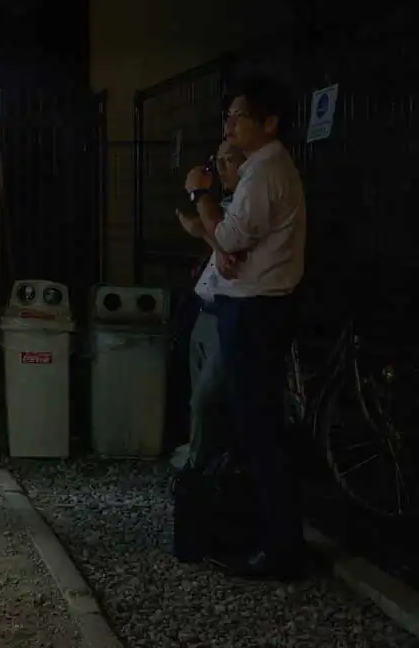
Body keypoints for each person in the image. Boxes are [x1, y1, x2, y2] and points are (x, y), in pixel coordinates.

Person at [184, 75, 307, 579]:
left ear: (269, 122)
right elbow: (229, 244)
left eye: (238, 116)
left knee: (258, 427)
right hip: (252, 305)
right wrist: (221, 243)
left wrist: (201, 196)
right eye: (228, 116)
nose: (229, 125)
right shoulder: (261, 169)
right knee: (249, 422)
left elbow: (231, 238)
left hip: (257, 310)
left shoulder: (264, 173)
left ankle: (279, 547)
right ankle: (263, 533)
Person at [175, 140, 246, 470]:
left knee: (207, 397)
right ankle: (200, 462)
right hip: (207, 308)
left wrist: (199, 206)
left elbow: (223, 242)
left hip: (228, 310)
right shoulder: (228, 203)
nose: (221, 169)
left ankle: (200, 468)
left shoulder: (248, 204)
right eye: (219, 161)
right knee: (199, 396)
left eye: (229, 161)